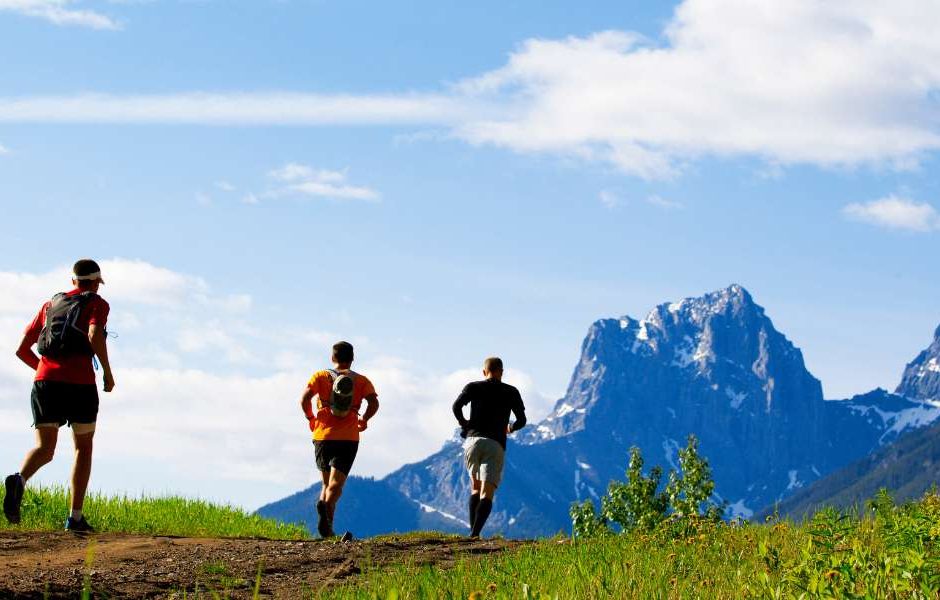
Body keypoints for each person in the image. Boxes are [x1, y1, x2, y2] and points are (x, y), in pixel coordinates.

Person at [4, 259, 115, 533]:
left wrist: (46, 370)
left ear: (73, 281)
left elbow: (21, 349)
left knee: (45, 448)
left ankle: (20, 479)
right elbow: (93, 335)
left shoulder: (49, 305)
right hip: (79, 383)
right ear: (96, 283)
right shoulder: (97, 304)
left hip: (45, 383)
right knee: (83, 446)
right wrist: (107, 374)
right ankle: (75, 518)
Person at [300, 341, 379, 538]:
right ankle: (325, 508)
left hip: (322, 436)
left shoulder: (320, 376)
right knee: (337, 486)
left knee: (326, 485)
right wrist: (365, 419)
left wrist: (311, 418)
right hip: (348, 438)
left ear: (332, 358)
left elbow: (305, 398)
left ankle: (327, 528)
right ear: (352, 359)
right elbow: (374, 402)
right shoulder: (361, 381)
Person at [452, 356, 527, 538]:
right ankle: (475, 533)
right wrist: (510, 427)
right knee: (487, 492)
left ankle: (473, 534)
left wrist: (464, 423)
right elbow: (522, 420)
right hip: (495, 443)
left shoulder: (473, 386)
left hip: (472, 441)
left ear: (484, 372)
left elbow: (456, 406)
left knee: (475, 488)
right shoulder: (511, 391)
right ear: (501, 372)